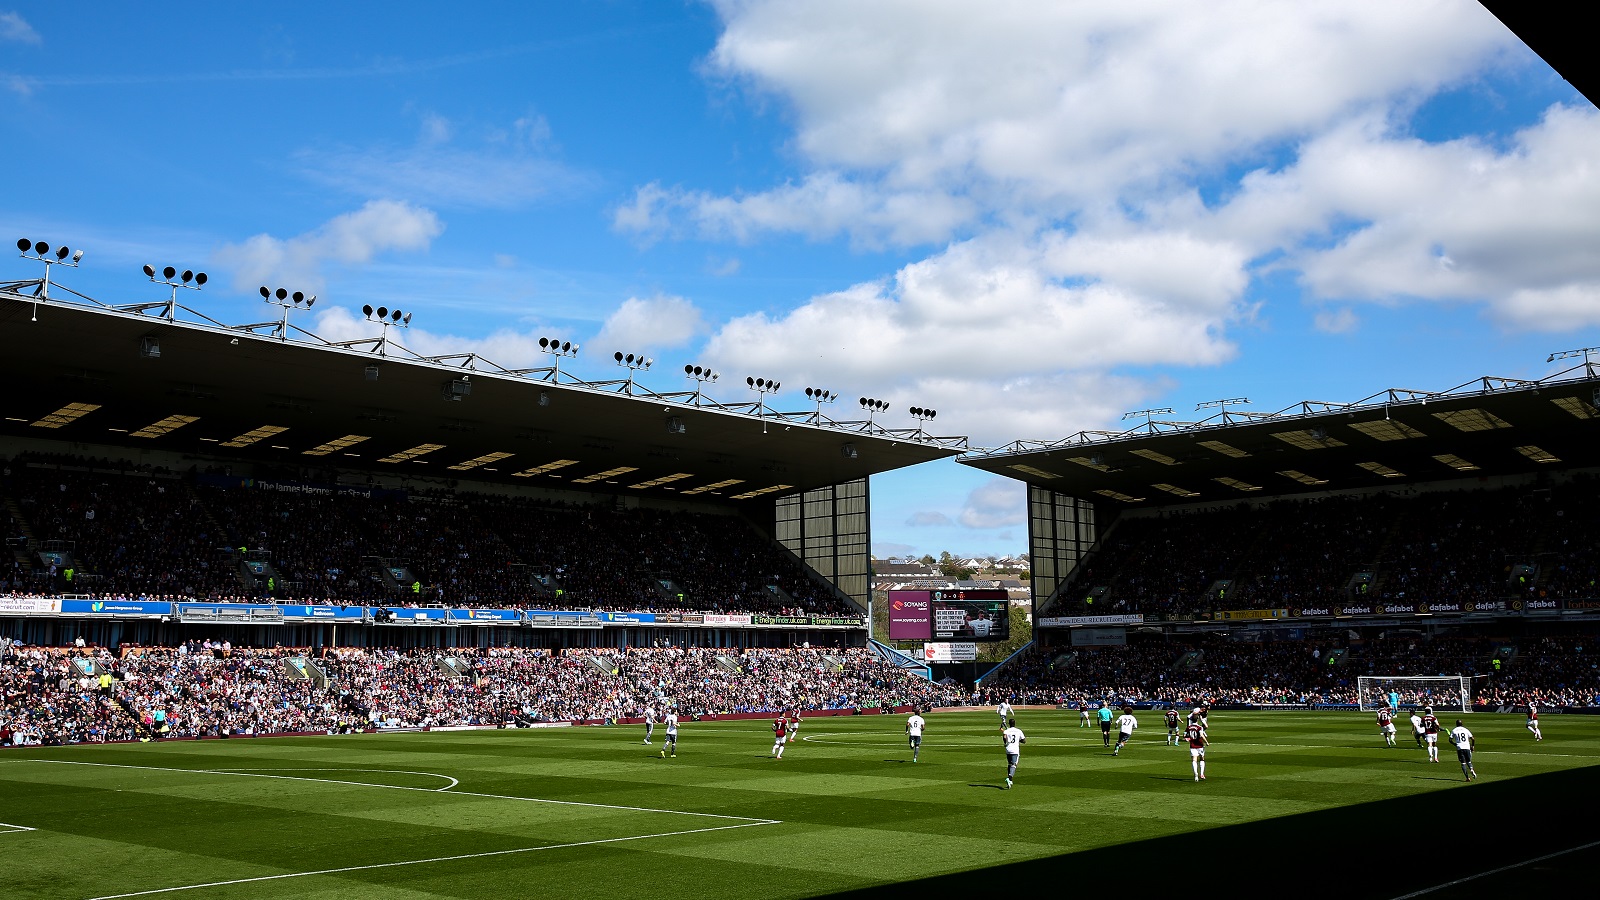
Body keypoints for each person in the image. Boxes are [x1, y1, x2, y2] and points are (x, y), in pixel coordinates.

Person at [1002, 717, 1026, 789]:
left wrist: (1005, 742)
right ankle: (1009, 777)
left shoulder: (1006, 731)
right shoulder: (1018, 731)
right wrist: (1019, 741)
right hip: (1015, 750)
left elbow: (1004, 737)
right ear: (1015, 724)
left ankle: (1010, 781)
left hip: (1008, 749)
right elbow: (1024, 741)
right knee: (1014, 764)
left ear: (1009, 724)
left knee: (1009, 764)